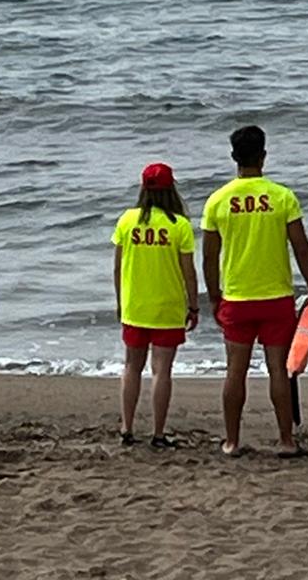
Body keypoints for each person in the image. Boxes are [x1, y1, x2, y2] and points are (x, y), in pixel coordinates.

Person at [202, 124, 308, 458]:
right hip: (276, 299)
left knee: (235, 372)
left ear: (234, 158)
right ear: (264, 156)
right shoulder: (282, 196)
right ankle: (286, 441)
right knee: (278, 372)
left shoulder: (217, 201)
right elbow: (302, 248)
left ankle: (232, 441)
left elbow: (210, 256)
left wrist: (214, 296)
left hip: (237, 299)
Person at [111, 161, 199, 448]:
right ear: (170, 189)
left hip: (135, 305)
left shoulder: (127, 220)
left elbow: (118, 267)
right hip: (167, 307)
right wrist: (194, 305)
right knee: (162, 371)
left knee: (131, 367)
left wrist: (120, 301)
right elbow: (188, 271)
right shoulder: (179, 225)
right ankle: (158, 433)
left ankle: (127, 427)